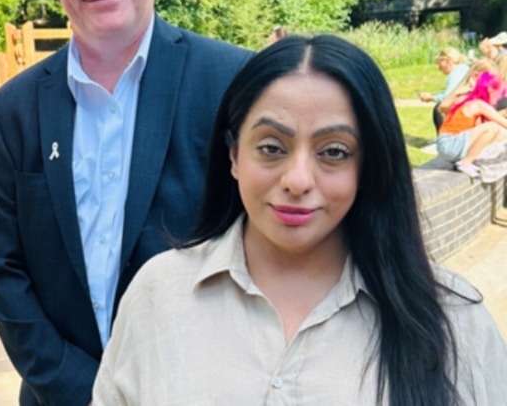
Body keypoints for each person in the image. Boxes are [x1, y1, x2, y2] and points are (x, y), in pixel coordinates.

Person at [92, 35, 507, 405]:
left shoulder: (455, 320)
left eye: (334, 152)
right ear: (234, 155)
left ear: (368, 167)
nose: (297, 180)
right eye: (272, 147)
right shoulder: (158, 295)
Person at [0, 0, 251, 405]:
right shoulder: (13, 109)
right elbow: (2, 270)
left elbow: (266, 249)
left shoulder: (234, 84)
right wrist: (85, 392)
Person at [435, 71, 507, 181]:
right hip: (451, 144)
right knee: (492, 127)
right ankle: (465, 163)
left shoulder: (467, 100)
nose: (498, 97)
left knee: (499, 133)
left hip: (446, 145)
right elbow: (503, 123)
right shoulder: (479, 105)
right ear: (489, 90)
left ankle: (469, 160)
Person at [419, 48, 469, 131]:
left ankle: (443, 136)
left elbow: (448, 97)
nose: (439, 68)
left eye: (440, 64)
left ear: (448, 61)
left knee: (439, 109)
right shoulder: (464, 69)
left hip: (462, 107)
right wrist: (434, 95)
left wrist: (432, 98)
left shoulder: (456, 74)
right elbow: (451, 91)